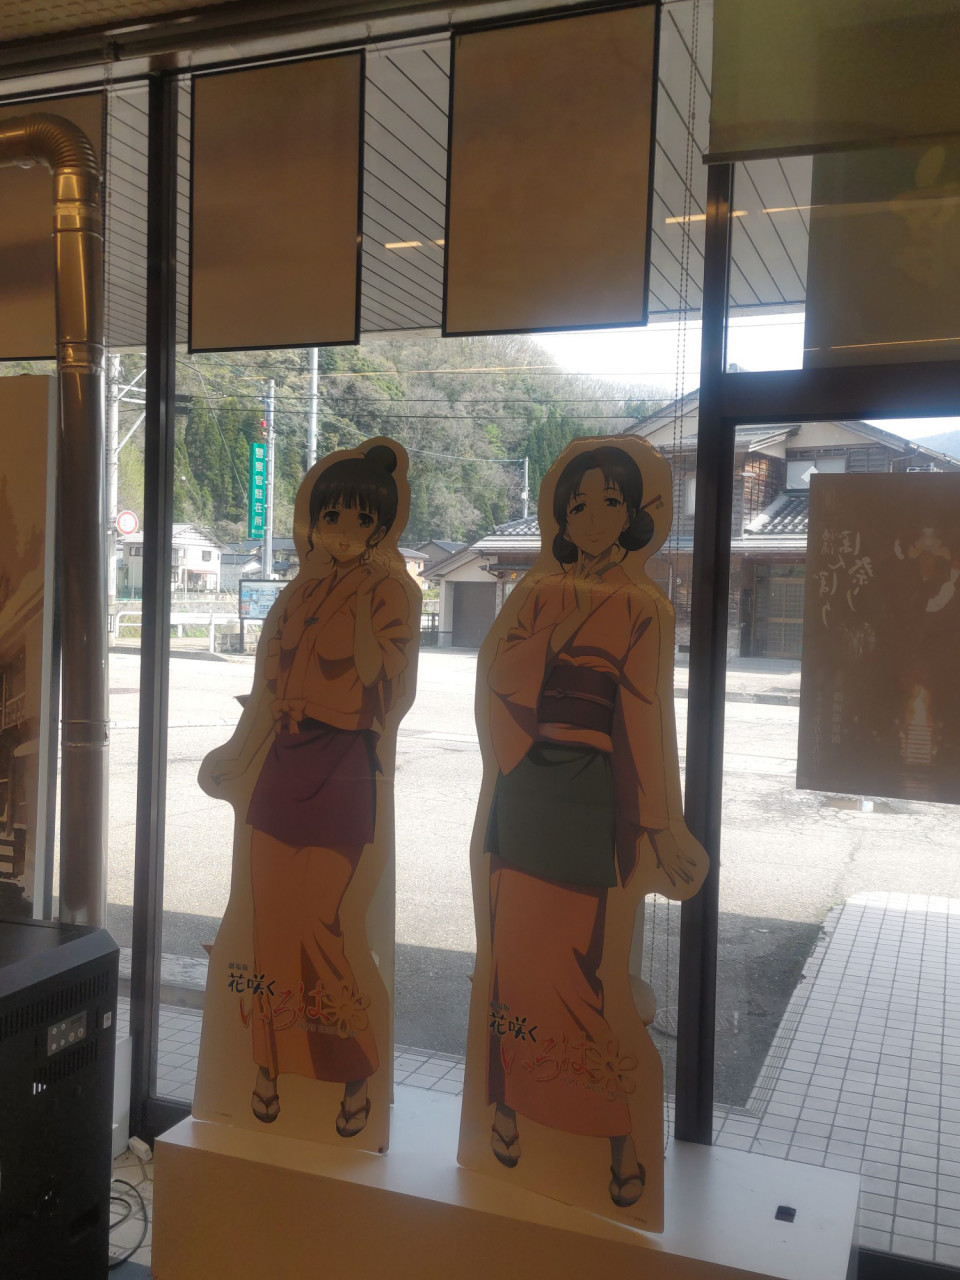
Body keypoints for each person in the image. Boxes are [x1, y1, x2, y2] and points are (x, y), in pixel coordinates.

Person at [479, 444, 706, 1208]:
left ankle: (615, 1134)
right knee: (513, 966)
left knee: (576, 977)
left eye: (611, 502)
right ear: (563, 518)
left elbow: (643, 720)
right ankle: (507, 1107)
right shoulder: (539, 594)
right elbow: (500, 680)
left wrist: (661, 826)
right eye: (579, 505)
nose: (594, 517)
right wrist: (566, 618)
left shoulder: (644, 608)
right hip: (524, 786)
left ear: (636, 515)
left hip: (586, 797)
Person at [208, 444, 413, 1138]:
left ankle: (355, 1072)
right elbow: (269, 688)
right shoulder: (296, 594)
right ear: (315, 522)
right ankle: (268, 1068)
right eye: (332, 517)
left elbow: (383, 684)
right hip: (283, 762)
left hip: (344, 763)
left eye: (361, 519)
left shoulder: (392, 592)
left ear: (380, 526)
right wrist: (238, 755)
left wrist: (361, 609)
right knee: (271, 926)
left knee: (319, 928)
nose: (344, 531)